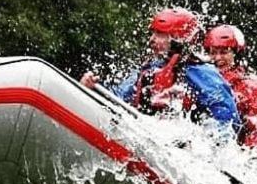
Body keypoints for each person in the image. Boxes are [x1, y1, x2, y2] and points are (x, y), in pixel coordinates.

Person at [80, 8, 241, 134]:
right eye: (153, 33)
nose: (151, 39)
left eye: (159, 34)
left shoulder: (202, 73)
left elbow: (228, 121)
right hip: (147, 134)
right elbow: (119, 98)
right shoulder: (150, 69)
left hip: (182, 148)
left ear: (177, 37)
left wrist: (205, 144)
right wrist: (91, 89)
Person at [203, 24, 257, 154]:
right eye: (213, 53)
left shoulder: (253, 87)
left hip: (253, 154)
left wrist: (248, 158)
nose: (218, 58)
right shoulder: (203, 82)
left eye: (224, 52)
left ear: (237, 54)